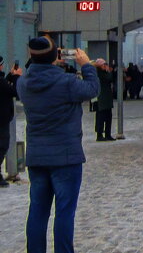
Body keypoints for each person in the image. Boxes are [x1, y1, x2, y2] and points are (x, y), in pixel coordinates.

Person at [17, 37, 100, 253]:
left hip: (37, 156)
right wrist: (87, 65)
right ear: (56, 57)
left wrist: (50, 61)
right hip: (66, 156)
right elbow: (92, 89)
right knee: (64, 211)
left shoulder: (23, 83)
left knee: (37, 211)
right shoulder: (67, 83)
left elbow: (38, 71)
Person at [0, 56, 22, 188]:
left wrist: (10, 76)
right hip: (2, 120)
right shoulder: (1, 82)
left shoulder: (2, 81)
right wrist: (16, 77)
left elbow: (4, 86)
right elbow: (14, 92)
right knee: (2, 146)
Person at [92, 59, 115, 142]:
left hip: (106, 98)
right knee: (101, 117)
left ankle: (107, 134)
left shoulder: (100, 73)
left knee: (108, 117)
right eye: (104, 64)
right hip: (102, 99)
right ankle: (100, 134)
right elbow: (108, 78)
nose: (106, 66)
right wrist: (109, 71)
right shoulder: (100, 74)